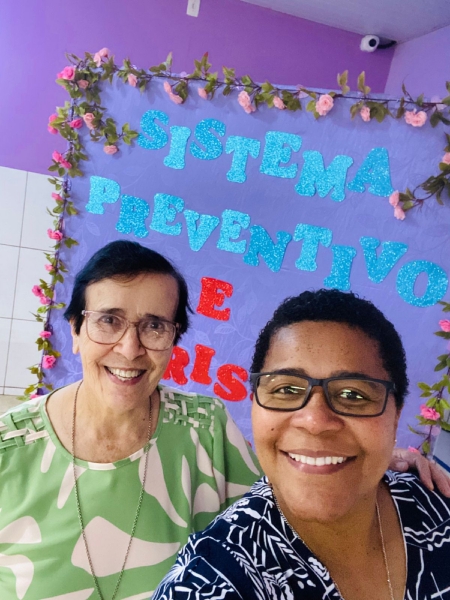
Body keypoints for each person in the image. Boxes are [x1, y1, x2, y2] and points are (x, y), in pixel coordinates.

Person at [0, 244, 445, 600]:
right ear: (75, 330)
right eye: (109, 321)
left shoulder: (203, 427)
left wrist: (377, 460)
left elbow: (291, 495)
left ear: (174, 339)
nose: (130, 347)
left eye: (154, 326)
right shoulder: (8, 451)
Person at [153, 289, 450, 600]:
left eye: (353, 395)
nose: (315, 421)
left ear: (396, 414)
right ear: (255, 403)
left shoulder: (434, 506)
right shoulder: (209, 581)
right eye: (286, 389)